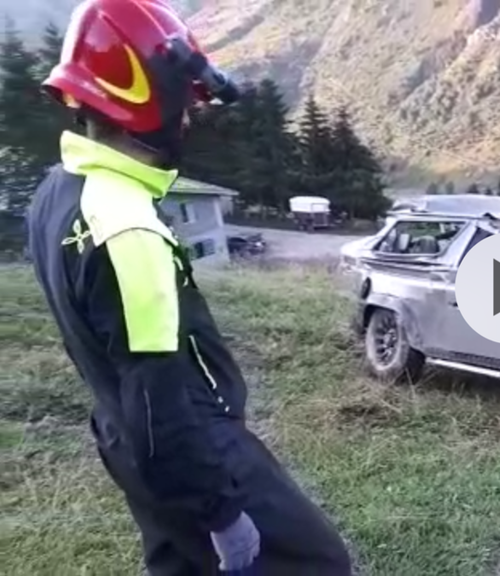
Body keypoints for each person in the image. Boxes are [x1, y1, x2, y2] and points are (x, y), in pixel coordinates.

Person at [25, 1, 353, 574]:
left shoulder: (58, 191)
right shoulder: (128, 229)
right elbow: (159, 398)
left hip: (124, 438)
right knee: (320, 563)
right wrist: (221, 513)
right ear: (147, 95)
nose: (188, 119)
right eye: (184, 101)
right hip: (193, 447)